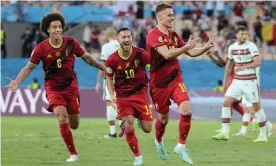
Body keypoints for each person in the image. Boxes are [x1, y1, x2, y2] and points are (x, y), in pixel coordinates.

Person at [5, 12, 105, 162]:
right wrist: (17, 82)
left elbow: (87, 58)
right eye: (54, 27)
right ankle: (73, 155)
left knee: (74, 124)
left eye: (59, 26)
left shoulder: (71, 43)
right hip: (53, 87)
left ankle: (72, 138)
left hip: (71, 86)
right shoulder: (41, 48)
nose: (58, 29)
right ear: (48, 30)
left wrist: (102, 67)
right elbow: (29, 67)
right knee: (61, 115)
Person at [146, 3, 215, 165]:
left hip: (176, 79)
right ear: (160, 16)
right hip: (158, 85)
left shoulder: (174, 35)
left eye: (173, 14)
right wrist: (186, 48)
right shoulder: (153, 35)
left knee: (187, 110)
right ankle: (158, 141)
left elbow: (190, 51)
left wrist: (204, 48)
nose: (172, 17)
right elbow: (168, 54)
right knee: (163, 120)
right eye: (169, 15)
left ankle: (181, 146)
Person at [212, 26, 269, 142]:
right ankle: (225, 132)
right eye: (242, 33)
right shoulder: (232, 47)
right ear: (236, 35)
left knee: (257, 107)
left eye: (246, 34)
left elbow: (257, 62)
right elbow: (229, 66)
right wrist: (225, 81)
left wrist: (243, 67)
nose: (244, 36)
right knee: (226, 101)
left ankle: (263, 134)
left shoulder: (251, 46)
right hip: (237, 81)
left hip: (250, 82)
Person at [105, 27, 152, 166]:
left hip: (140, 94)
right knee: (128, 124)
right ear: (118, 39)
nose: (126, 40)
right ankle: (137, 157)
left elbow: (152, 70)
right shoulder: (112, 59)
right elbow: (108, 78)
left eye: (128, 36)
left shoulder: (141, 54)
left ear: (132, 38)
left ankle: (137, 117)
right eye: (123, 37)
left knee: (148, 129)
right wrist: (112, 95)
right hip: (123, 96)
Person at [95, 27, 124, 138]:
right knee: (120, 102)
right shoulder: (123, 44)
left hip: (111, 79)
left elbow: (104, 66)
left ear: (107, 35)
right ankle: (122, 122)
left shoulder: (106, 47)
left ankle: (113, 132)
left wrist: (98, 82)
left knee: (109, 103)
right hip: (123, 79)